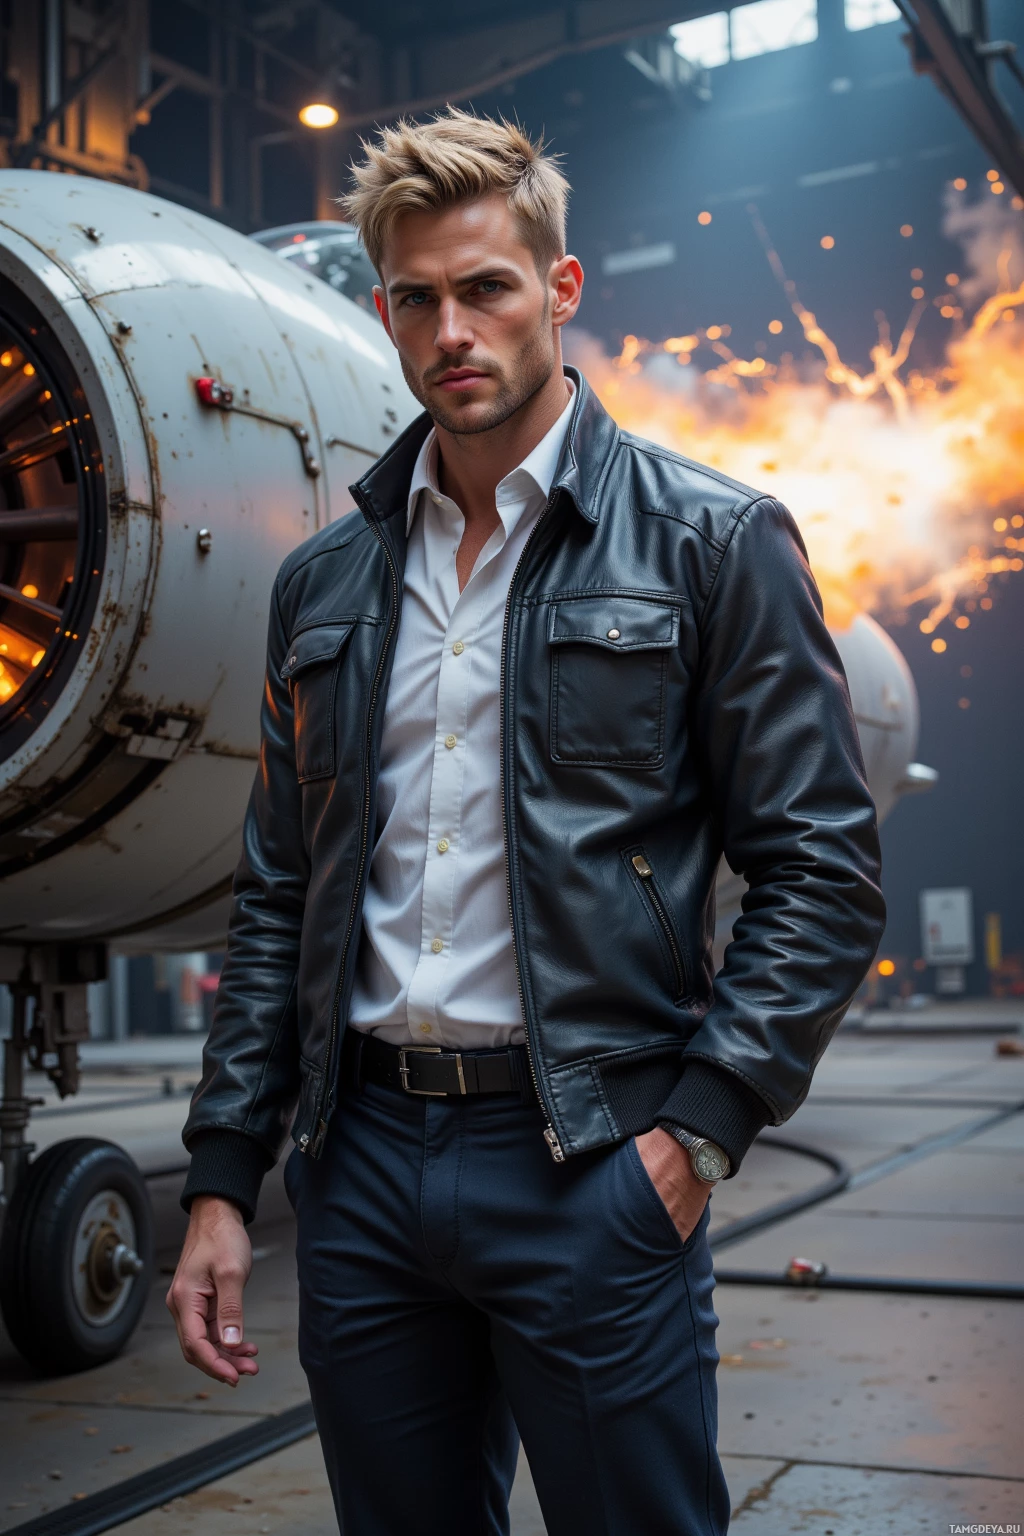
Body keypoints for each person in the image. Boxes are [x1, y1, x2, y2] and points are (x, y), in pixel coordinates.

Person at [168, 107, 884, 1535]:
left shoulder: (711, 543)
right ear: (384, 311)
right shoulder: (324, 585)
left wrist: (695, 1137)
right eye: (419, 298)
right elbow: (280, 899)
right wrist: (224, 1177)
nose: (454, 329)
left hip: (590, 1163)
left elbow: (824, 872)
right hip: (362, 1172)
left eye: (487, 287)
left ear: (557, 290)